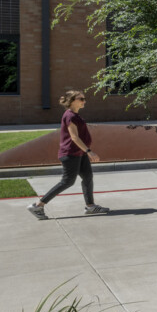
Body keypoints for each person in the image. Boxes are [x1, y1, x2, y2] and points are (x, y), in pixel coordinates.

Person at [27, 89, 108, 219]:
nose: (84, 101)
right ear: (72, 101)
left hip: (79, 153)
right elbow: (74, 137)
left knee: (87, 177)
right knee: (67, 181)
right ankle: (38, 205)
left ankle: (90, 206)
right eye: (81, 99)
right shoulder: (70, 116)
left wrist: (85, 151)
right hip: (71, 154)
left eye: (84, 98)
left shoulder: (75, 115)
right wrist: (89, 151)